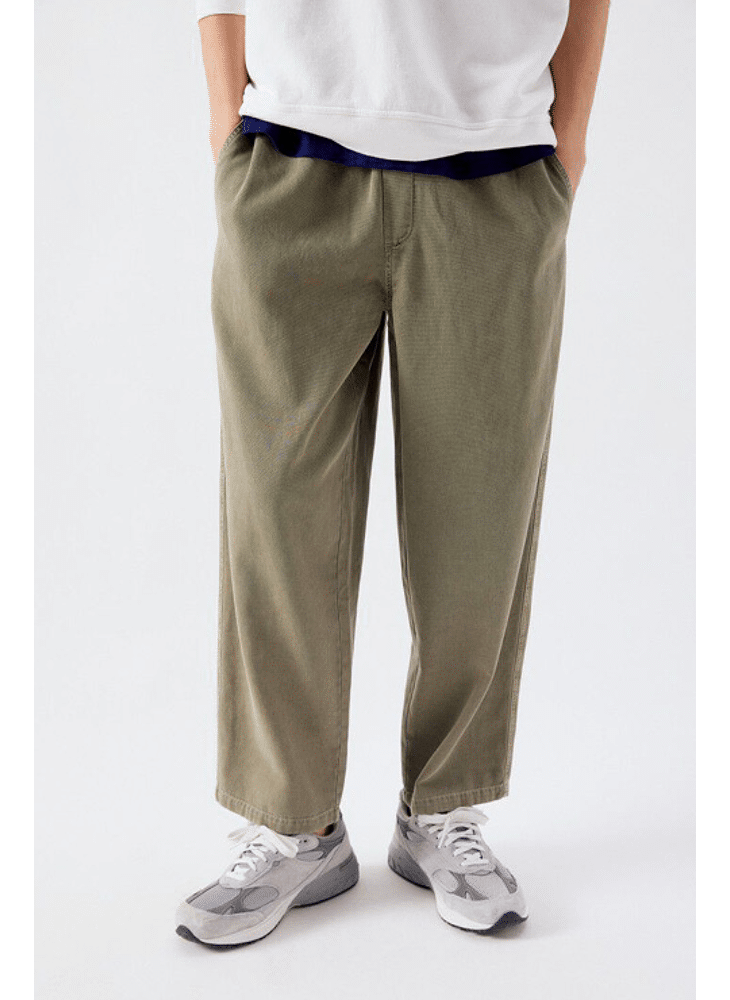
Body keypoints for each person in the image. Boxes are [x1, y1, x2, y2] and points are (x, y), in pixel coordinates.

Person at [176, 0, 611, 947]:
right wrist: (225, 119)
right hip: (292, 158)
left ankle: (443, 805)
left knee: (480, 518)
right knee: (276, 515)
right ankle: (293, 820)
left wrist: (568, 135)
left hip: (497, 168)